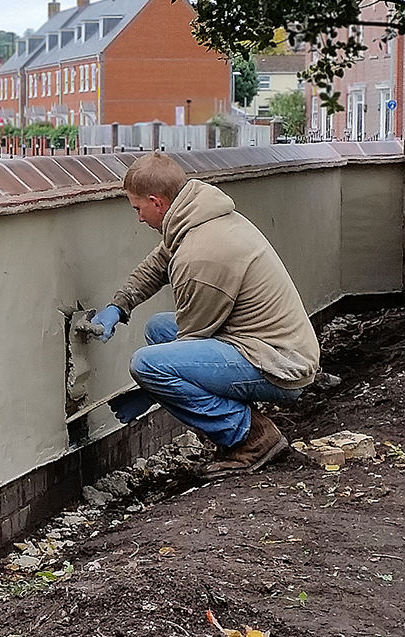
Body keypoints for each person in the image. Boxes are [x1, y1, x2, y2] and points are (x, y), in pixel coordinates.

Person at [88, 152, 320, 479]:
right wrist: (120, 304)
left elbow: (193, 339)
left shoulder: (201, 256)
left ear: (158, 202)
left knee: (146, 364)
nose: (138, 217)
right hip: (261, 344)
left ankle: (251, 438)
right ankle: (236, 425)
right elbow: (158, 264)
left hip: (280, 364)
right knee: (159, 329)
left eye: (138, 208)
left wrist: (147, 389)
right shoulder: (196, 217)